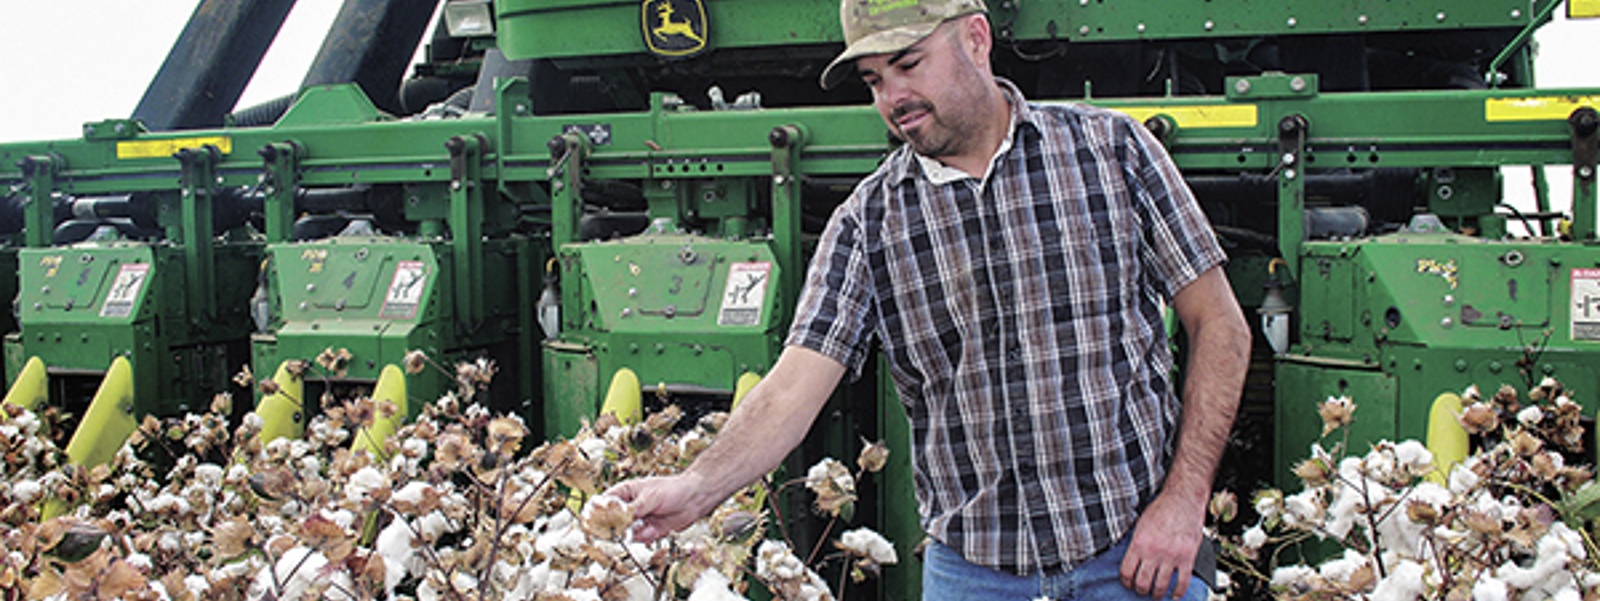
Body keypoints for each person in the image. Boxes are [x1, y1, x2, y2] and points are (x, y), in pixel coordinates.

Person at [608, 0, 1251, 598]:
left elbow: (1220, 324)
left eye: (909, 64)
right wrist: (696, 488)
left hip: (1135, 560)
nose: (893, 97)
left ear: (976, 38)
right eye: (874, 80)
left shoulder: (1111, 152)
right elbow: (792, 388)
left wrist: (1184, 501)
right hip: (972, 575)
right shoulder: (868, 222)